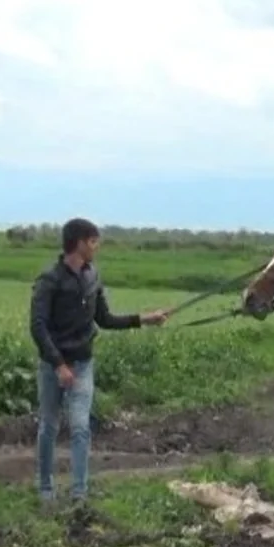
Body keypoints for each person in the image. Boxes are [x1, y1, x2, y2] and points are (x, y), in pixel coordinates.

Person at [28, 217, 167, 506]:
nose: (97, 247)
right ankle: (45, 488)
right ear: (79, 243)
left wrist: (145, 319)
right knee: (49, 426)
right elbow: (38, 327)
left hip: (82, 364)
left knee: (80, 427)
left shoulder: (93, 277)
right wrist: (58, 364)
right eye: (93, 242)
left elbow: (105, 319)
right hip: (53, 366)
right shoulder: (49, 280)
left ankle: (79, 493)